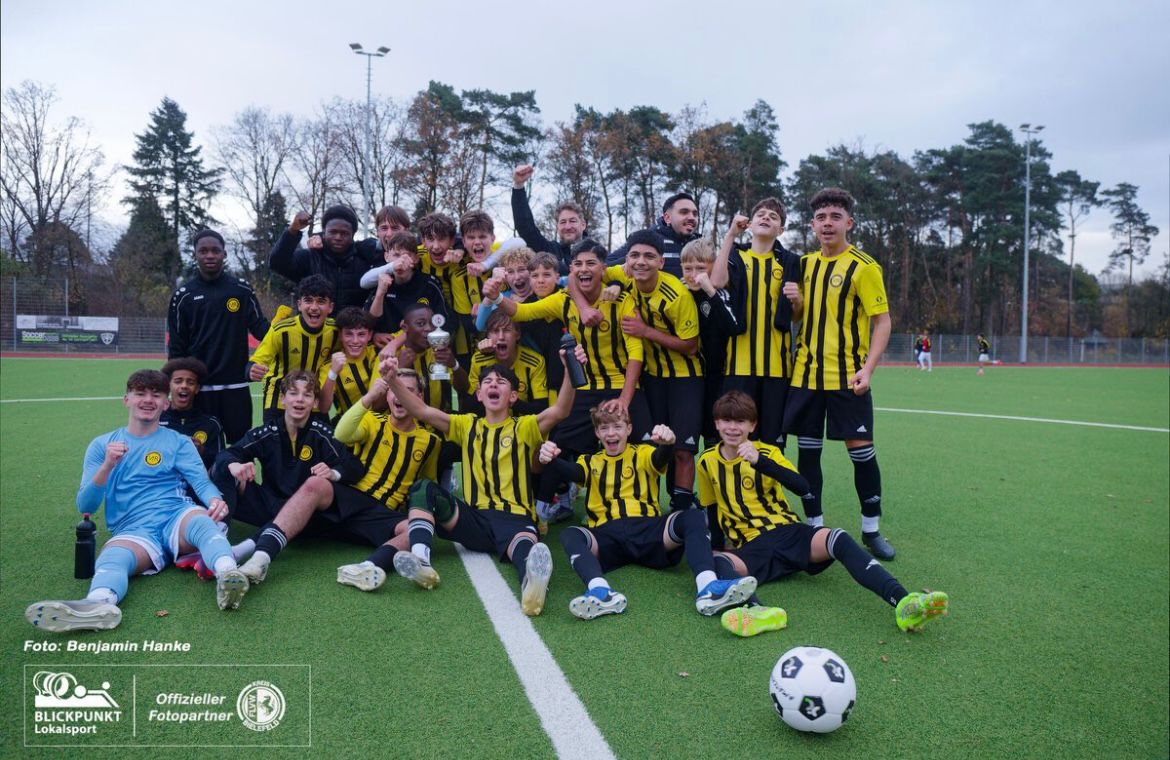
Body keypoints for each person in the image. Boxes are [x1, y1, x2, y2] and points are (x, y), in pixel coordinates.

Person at [699, 392, 949, 637]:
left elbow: (802, 487)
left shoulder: (767, 453)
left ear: (752, 425)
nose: (733, 427)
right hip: (752, 548)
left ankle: (904, 602)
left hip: (789, 533)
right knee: (717, 560)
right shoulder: (706, 461)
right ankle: (757, 611)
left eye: (740, 421)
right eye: (727, 420)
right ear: (717, 423)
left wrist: (760, 462)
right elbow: (712, 508)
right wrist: (720, 546)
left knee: (837, 537)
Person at [25, 370, 249, 632]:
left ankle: (228, 575)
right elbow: (86, 506)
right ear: (126, 400)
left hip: (175, 516)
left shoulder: (178, 442)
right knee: (114, 557)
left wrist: (214, 499)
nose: (148, 400)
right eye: (140, 393)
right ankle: (98, 604)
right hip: (133, 529)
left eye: (156, 395)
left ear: (165, 404)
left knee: (202, 522)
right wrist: (108, 465)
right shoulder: (102, 445)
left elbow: (200, 482)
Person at [379, 342, 586, 616]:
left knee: (524, 548)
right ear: (478, 394)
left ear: (513, 396)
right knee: (423, 489)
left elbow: (560, 411)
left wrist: (571, 370)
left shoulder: (523, 426)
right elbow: (422, 411)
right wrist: (392, 380)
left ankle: (532, 584)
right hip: (474, 519)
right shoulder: (466, 425)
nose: (493, 384)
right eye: (487, 381)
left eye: (501, 382)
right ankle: (421, 560)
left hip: (514, 519)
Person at [537, 408, 757, 620]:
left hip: (648, 531)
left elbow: (660, 458)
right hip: (607, 537)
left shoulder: (642, 453)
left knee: (691, 516)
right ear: (597, 433)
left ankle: (708, 587)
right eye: (604, 428)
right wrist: (552, 459)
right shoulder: (590, 461)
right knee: (571, 534)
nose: (611, 433)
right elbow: (573, 471)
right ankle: (600, 592)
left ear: (629, 429)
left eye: (617, 426)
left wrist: (668, 444)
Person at [489, 240, 652, 521]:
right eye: (578, 264)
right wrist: (495, 297)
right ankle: (541, 509)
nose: (584, 269)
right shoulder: (563, 300)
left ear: (604, 268)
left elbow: (636, 354)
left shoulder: (624, 301)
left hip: (623, 385)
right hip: (584, 387)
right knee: (557, 445)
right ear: (572, 269)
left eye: (591, 263)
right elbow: (522, 312)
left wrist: (625, 400)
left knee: (647, 445)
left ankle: (647, 506)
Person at [781, 188, 896, 560]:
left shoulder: (864, 266)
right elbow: (797, 318)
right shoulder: (805, 264)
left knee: (861, 454)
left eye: (834, 217)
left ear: (849, 223)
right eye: (820, 218)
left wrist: (868, 368)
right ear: (812, 225)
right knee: (808, 455)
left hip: (848, 377)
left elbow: (882, 321)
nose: (827, 224)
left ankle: (871, 529)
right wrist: (795, 303)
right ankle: (814, 526)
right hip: (806, 376)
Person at [212, 370, 366, 583]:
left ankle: (240, 551)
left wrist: (333, 472)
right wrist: (235, 464)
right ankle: (218, 535)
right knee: (222, 468)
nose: (300, 400)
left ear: (314, 403)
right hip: (267, 506)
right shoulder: (268, 431)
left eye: (307, 395)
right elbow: (227, 453)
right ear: (283, 399)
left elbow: (354, 466)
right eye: (293, 393)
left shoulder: (322, 433)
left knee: (321, 501)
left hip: (305, 517)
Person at [606, 229, 703, 514]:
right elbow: (585, 273)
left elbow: (691, 346)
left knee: (683, 449)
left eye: (649, 256)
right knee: (654, 445)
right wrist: (611, 281)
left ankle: (681, 509)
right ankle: (645, 503)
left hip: (685, 378)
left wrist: (645, 331)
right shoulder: (625, 275)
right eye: (634, 255)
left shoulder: (677, 295)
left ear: (661, 262)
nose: (640, 262)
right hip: (652, 378)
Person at [333, 369, 444, 591]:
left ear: (419, 398)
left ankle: (368, 566)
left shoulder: (430, 441)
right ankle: (261, 550)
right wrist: (370, 397)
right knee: (315, 486)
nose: (398, 396)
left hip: (383, 517)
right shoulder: (373, 421)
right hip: (352, 502)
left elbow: (427, 482)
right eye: (394, 390)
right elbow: (342, 434)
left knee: (416, 528)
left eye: (407, 390)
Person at [711, 198, 801, 450]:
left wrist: (799, 300)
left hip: (777, 368)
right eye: (761, 214)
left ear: (781, 230)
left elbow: (796, 315)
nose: (766, 218)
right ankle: (736, 488)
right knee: (736, 436)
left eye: (773, 216)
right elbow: (716, 282)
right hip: (738, 366)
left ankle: (769, 490)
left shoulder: (791, 262)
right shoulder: (736, 255)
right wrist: (730, 234)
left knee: (772, 442)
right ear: (750, 224)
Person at [167, 228, 269, 443]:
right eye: (203, 251)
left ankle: (243, 479)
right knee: (202, 449)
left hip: (236, 387)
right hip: (200, 389)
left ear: (224, 254)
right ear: (195, 254)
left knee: (240, 447)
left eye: (215, 250)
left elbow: (262, 329)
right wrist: (177, 385)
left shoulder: (241, 290)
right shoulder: (183, 296)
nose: (210, 255)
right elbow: (177, 347)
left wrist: (286, 331)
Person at [680, 238, 743, 449]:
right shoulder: (680, 292)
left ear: (713, 267)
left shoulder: (720, 293)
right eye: (688, 268)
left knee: (715, 434)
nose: (693, 274)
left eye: (700, 267)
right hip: (688, 376)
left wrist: (711, 292)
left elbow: (733, 326)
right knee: (683, 441)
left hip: (718, 376)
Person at [248, 275, 337, 424]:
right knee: (277, 445)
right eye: (308, 300)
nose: (314, 307)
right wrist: (251, 369)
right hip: (278, 399)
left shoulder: (335, 331)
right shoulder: (281, 330)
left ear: (330, 307)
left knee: (319, 444)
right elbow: (258, 359)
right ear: (299, 304)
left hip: (312, 399)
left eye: (321, 301)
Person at [268, 205, 379, 309]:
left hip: (350, 329)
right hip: (314, 328)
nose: (338, 237)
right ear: (324, 233)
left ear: (353, 235)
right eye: (333, 232)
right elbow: (277, 263)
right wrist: (293, 230)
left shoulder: (363, 261)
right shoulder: (309, 257)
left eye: (344, 233)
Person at [365, 231, 450, 346]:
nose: (401, 261)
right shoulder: (379, 281)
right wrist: (375, 334)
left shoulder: (429, 284)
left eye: (407, 256)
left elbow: (442, 322)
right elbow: (369, 322)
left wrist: (397, 342)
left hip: (420, 348)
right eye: (396, 255)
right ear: (386, 257)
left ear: (416, 259)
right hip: (385, 349)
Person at [461, 312, 549, 417]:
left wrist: (507, 398)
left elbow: (542, 408)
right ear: (488, 335)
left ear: (517, 335)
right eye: (495, 331)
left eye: (507, 330)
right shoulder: (479, 360)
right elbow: (469, 406)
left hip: (522, 426)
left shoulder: (534, 361)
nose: (501, 337)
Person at [511, 163, 587, 272]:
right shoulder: (550, 252)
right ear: (557, 227)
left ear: (583, 224)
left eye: (573, 221)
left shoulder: (596, 252)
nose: (568, 226)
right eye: (563, 222)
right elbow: (526, 228)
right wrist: (518, 186)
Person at [607, 192, 700, 278]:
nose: (692, 217)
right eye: (684, 212)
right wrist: (618, 282)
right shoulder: (647, 239)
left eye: (695, 214)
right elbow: (605, 266)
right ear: (667, 218)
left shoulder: (701, 244)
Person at [160, 357, 224, 470]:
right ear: (169, 386)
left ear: (197, 388)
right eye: (178, 381)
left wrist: (202, 451)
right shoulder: (155, 419)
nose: (184, 385)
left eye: (190, 382)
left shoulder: (211, 424)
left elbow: (221, 463)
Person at [318, 307, 379, 422]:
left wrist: (393, 344)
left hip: (384, 422)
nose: (355, 341)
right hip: (350, 426)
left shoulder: (378, 353)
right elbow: (324, 408)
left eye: (361, 334)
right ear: (340, 335)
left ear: (370, 335)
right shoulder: (329, 366)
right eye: (349, 334)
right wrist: (333, 373)